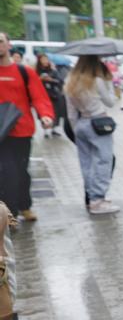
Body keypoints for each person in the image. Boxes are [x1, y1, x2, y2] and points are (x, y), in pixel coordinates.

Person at [0, 32, 54, 223]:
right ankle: (10, 213)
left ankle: (24, 206)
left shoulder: (24, 72)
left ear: (8, 45)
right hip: (1, 135)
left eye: (1, 42)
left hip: (21, 131)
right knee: (6, 172)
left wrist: (45, 115)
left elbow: (39, 96)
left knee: (21, 171)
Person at [64, 56, 120, 215]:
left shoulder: (70, 81)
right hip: (99, 122)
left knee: (87, 163)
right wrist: (110, 84)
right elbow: (110, 102)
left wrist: (76, 129)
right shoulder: (97, 80)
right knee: (103, 161)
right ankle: (98, 200)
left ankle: (92, 198)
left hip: (82, 123)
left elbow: (71, 113)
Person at [34, 54, 67, 138]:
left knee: (56, 112)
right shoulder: (36, 71)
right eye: (43, 59)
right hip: (42, 95)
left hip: (54, 94)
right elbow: (32, 83)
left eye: (46, 59)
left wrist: (51, 80)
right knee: (44, 112)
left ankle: (54, 129)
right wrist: (40, 79)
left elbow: (60, 81)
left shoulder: (53, 71)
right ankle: (46, 130)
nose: (45, 61)